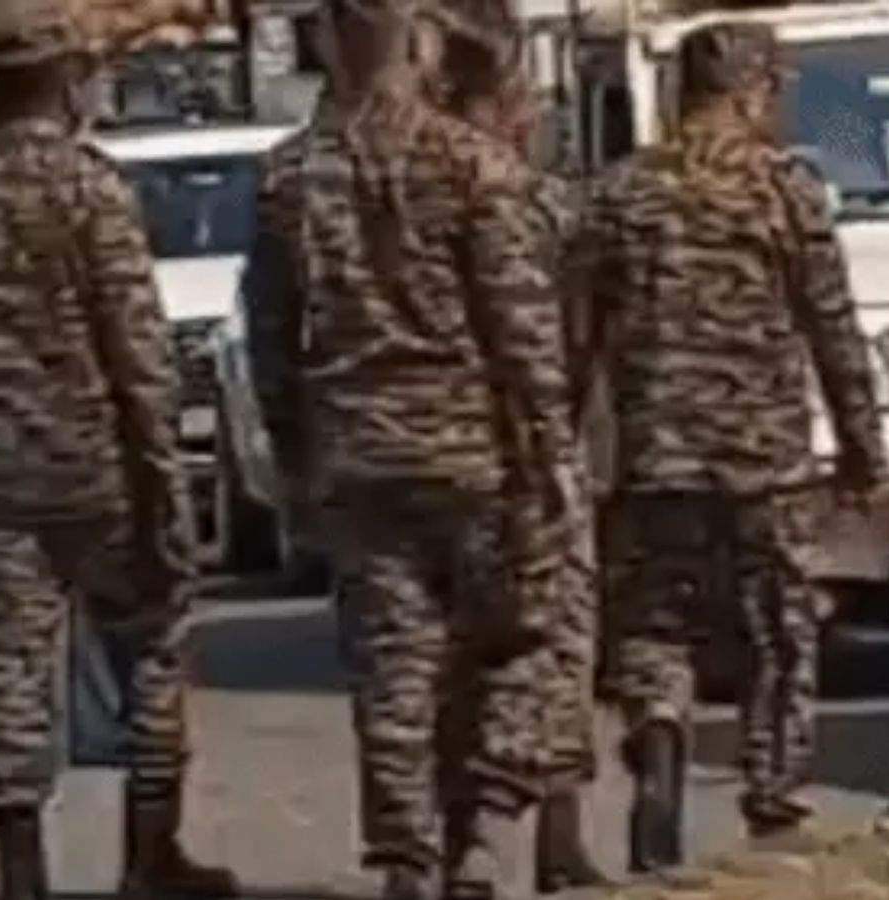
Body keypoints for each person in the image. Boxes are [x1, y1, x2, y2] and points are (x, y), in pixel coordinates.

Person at [243, 0, 578, 895]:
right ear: (420, 44)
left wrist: (295, 458)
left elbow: (271, 341)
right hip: (477, 454)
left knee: (394, 666)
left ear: (330, 48)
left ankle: (405, 860)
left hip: (359, 455)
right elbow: (522, 336)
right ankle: (487, 835)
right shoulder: (474, 167)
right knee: (514, 643)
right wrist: (552, 465)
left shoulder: (289, 179)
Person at [0, 2, 238, 898]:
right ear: (67, 89)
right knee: (151, 644)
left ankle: (22, 871)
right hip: (100, 471)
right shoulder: (90, 189)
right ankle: (150, 855)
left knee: (13, 672)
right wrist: (165, 484)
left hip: (0, 479)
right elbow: (137, 352)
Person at [577, 21, 888, 870]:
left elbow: (573, 338)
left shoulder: (617, 196)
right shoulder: (785, 192)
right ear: (757, 92)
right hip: (766, 464)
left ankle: (661, 726)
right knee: (779, 636)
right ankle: (774, 801)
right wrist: (863, 453)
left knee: (653, 626)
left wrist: (567, 452)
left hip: (652, 465)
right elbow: (834, 331)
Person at [416, 1, 609, 891]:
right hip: (517, 456)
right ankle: (510, 836)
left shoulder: (397, 184)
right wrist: (561, 455)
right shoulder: (516, 194)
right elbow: (558, 339)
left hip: (415, 459)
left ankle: (470, 841)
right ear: (503, 99)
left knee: (450, 665)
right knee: (547, 650)